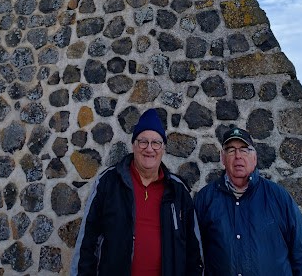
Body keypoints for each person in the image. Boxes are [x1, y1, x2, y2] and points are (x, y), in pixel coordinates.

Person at [70, 108, 204, 276]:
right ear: (134, 145)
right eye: (143, 142)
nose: (149, 149)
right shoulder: (108, 182)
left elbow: (193, 251)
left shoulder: (178, 191)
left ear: (163, 148)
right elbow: (87, 243)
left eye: (156, 143)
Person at [195, 127, 302, 276]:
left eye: (244, 150)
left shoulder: (278, 196)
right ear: (222, 158)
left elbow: (301, 251)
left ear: (254, 158)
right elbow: (194, 252)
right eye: (231, 150)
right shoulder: (206, 198)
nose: (238, 156)